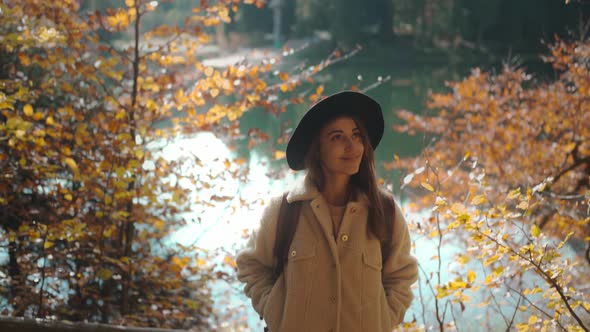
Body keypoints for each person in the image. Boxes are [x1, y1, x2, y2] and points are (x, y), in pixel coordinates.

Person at [236, 91, 418, 332]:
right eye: (337, 137)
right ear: (317, 150)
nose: (352, 146)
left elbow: (402, 276)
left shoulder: (385, 211)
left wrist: (383, 319)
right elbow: (252, 266)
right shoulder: (283, 210)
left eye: (356, 135)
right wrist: (276, 312)